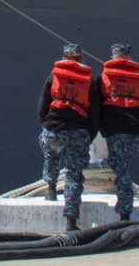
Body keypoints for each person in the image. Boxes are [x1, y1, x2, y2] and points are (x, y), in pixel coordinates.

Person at [38, 43, 102, 230]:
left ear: (64, 56)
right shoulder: (88, 82)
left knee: (51, 152)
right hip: (78, 132)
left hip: (54, 128)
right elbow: (95, 114)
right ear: (81, 58)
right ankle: (71, 220)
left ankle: (50, 188)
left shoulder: (54, 77)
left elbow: (42, 106)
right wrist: (89, 134)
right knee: (74, 175)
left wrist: (47, 126)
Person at [98, 43, 139, 220]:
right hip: (138, 128)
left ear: (113, 56)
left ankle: (124, 214)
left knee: (123, 173)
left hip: (116, 132)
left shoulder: (102, 79)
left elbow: (96, 107)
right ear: (129, 56)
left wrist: (104, 129)